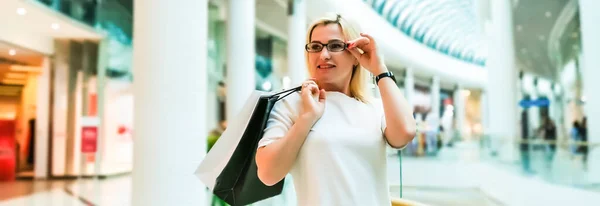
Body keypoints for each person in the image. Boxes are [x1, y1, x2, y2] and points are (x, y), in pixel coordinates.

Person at [255, 13, 416, 205]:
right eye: (315, 47)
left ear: (356, 55)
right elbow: (268, 174)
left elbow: (404, 133)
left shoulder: (374, 107)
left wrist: (379, 69)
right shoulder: (292, 104)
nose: (324, 54)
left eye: (335, 46)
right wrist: (307, 118)